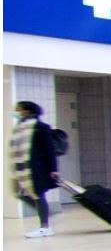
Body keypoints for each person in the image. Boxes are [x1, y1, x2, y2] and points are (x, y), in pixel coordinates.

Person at [11, 101, 59, 238]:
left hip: (38, 167)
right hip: (23, 167)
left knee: (38, 194)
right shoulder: (20, 128)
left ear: (28, 111)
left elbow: (50, 150)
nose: (18, 113)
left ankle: (45, 226)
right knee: (20, 192)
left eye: (19, 110)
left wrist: (54, 169)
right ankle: (45, 213)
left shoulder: (41, 127)